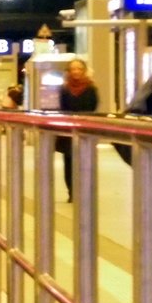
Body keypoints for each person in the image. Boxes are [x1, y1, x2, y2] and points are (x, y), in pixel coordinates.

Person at [56, 58, 99, 204]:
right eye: (73, 69)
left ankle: (84, 190)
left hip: (85, 130)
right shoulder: (64, 89)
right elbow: (62, 108)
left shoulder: (91, 89)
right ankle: (72, 192)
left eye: (79, 69)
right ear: (69, 71)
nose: (76, 72)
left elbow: (93, 108)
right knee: (69, 161)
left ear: (84, 71)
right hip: (68, 131)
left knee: (85, 161)